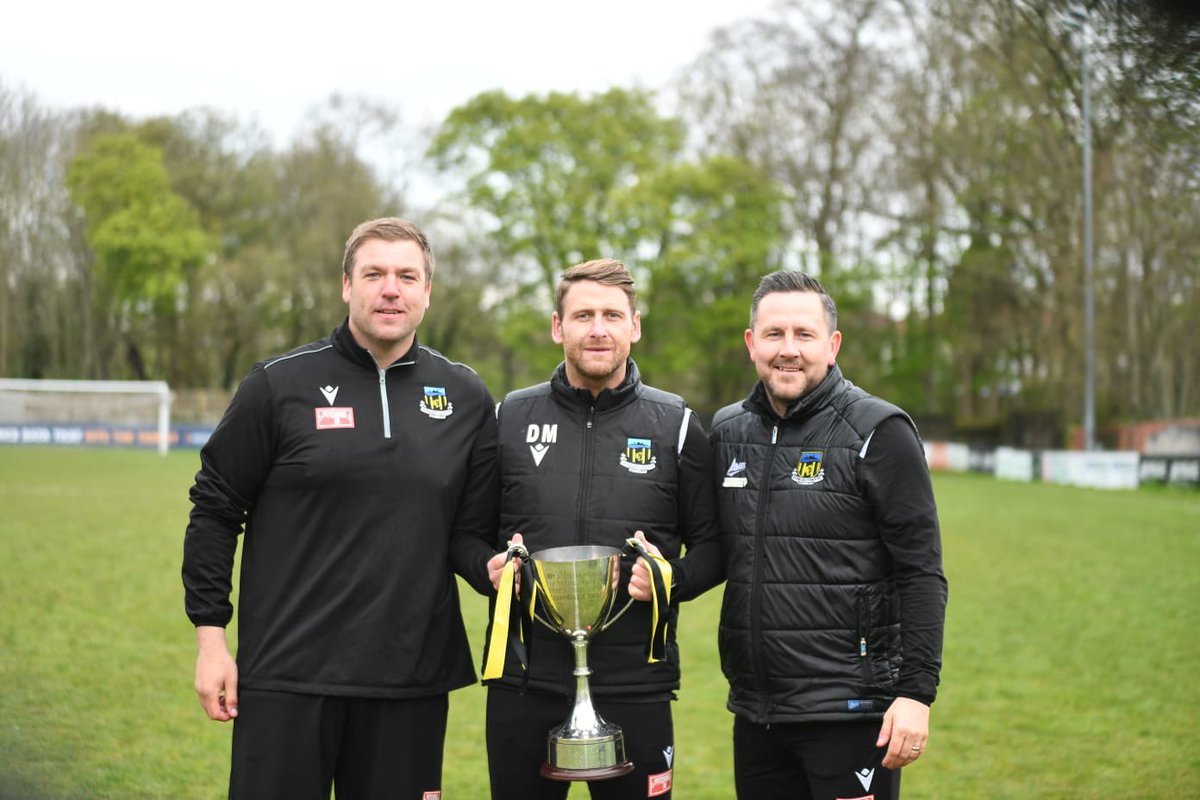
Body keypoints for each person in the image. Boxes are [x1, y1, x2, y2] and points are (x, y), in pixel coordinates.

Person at [182, 217, 499, 800]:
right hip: (287, 675)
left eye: (407, 276)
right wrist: (211, 641)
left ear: (427, 291)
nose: (390, 289)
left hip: (410, 680)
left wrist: (491, 570)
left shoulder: (466, 397)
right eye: (374, 273)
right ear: (345, 285)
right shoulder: (279, 386)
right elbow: (215, 509)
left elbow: (470, 534)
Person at [482, 259, 724, 800]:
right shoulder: (509, 419)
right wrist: (487, 569)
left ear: (634, 326)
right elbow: (464, 536)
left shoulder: (677, 423)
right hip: (525, 681)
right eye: (583, 315)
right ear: (556, 327)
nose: (598, 329)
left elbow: (716, 546)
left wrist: (671, 579)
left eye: (612, 315)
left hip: (636, 683)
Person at [709, 270, 948, 800]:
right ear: (751, 343)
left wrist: (916, 693)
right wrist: (659, 576)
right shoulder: (728, 433)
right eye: (774, 334)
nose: (788, 350)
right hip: (758, 711)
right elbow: (719, 552)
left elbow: (922, 572)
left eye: (804, 334)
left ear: (833, 345)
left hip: (852, 711)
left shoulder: (878, 431)